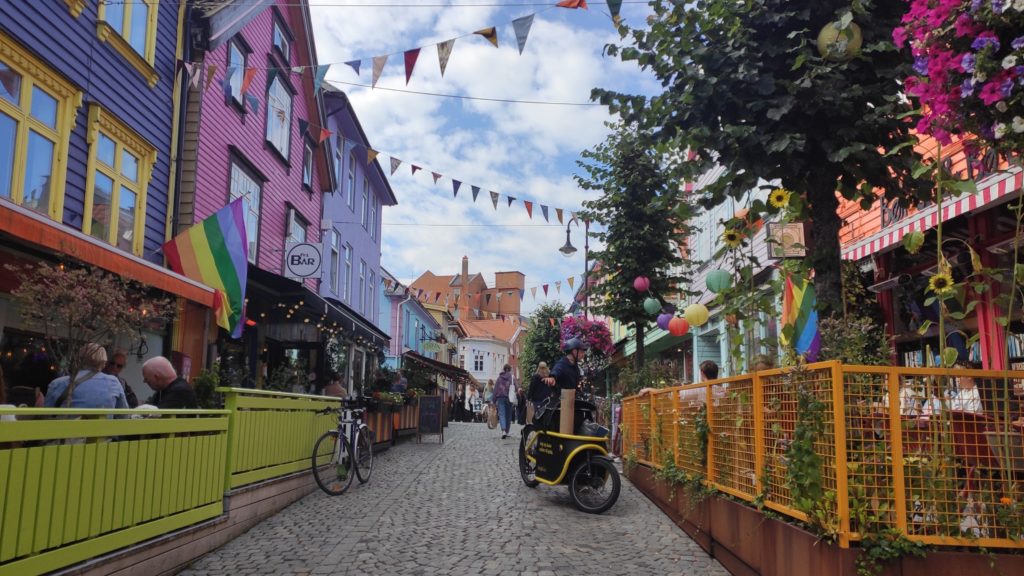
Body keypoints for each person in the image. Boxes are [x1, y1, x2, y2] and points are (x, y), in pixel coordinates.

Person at [44, 343, 128, 409]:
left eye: (119, 366)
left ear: (79, 360)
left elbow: (45, 415)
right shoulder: (114, 383)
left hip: (64, 430)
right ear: (104, 363)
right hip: (101, 430)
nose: (114, 367)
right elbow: (124, 415)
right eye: (112, 363)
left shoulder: (57, 383)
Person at [493, 364, 514, 439]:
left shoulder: (499, 378)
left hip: (500, 397)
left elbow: (495, 390)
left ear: (504, 369)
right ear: (510, 369)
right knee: (508, 415)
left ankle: (503, 431)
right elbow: (516, 385)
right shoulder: (511, 377)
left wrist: (494, 400)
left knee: (502, 414)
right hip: (509, 398)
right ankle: (507, 431)